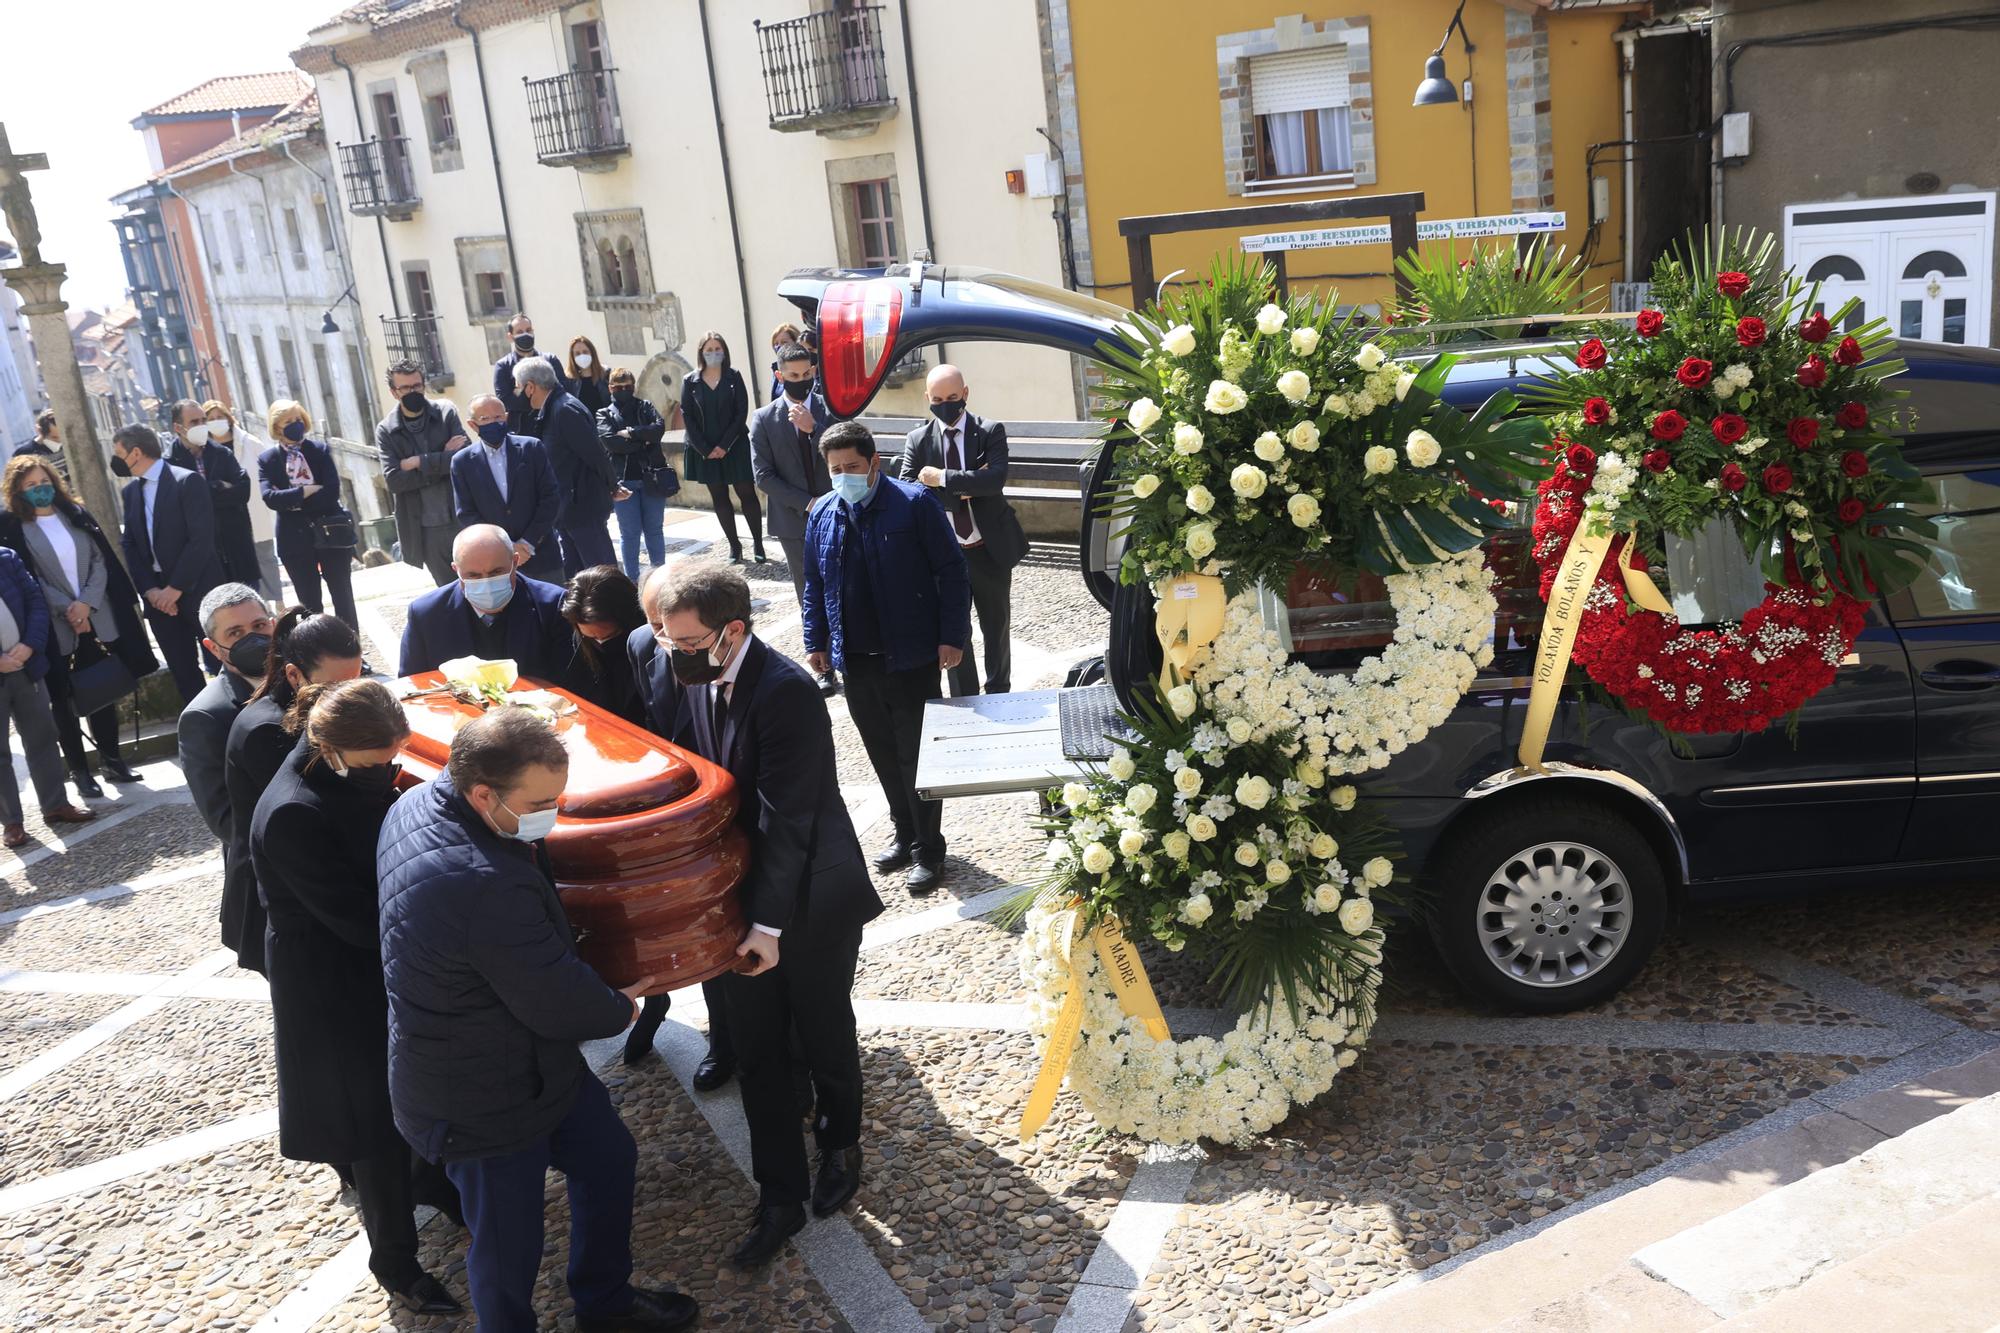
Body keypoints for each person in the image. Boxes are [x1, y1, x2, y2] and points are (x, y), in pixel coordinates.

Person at [377, 706, 697, 1332]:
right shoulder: (478, 880)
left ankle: (604, 1303)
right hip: (479, 1098)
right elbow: (555, 997)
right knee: (507, 1247)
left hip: (523, 1065)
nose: (551, 815)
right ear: (481, 792)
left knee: (608, 1159)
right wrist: (620, 1004)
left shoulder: (415, 804)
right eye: (543, 802)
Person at [649, 561, 882, 1266]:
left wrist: (767, 927)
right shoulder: (682, 670)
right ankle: (778, 1191)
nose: (674, 654)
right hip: (737, 896)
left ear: (733, 632)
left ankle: (841, 1140)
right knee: (757, 1050)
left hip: (807, 898)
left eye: (688, 643)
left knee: (822, 1030)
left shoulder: (786, 692)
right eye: (666, 639)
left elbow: (789, 822)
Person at [249, 679, 461, 1316]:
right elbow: (356, 919)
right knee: (370, 1124)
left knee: (408, 1093)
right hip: (332, 983)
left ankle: (436, 1187)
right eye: (379, 765)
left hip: (364, 965)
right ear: (332, 747)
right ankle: (394, 1260)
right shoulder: (294, 811)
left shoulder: (337, 772)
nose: (388, 774)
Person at [804, 420, 969, 895]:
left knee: (917, 758)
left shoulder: (913, 503)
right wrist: (817, 641)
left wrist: (951, 636)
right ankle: (904, 834)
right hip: (856, 661)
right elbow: (814, 584)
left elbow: (951, 571)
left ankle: (929, 849)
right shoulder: (823, 514)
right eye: (835, 469)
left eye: (852, 467)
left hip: (911, 656)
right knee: (880, 753)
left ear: (874, 463)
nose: (843, 476)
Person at [224, 610, 363, 975]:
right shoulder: (267, 730)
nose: (350, 697)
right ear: (294, 675)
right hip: (278, 900)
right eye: (335, 688)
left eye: (357, 679)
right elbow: (319, 803)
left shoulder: (308, 707)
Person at [0, 455, 148, 797]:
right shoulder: (13, 527)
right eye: (32, 486)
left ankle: (113, 760)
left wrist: (86, 604)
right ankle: (80, 771)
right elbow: (28, 578)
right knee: (63, 700)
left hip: (95, 617)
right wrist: (68, 608)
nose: (41, 490)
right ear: (18, 492)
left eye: (44, 482)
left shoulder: (75, 515)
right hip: (54, 626)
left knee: (102, 691)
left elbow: (100, 560)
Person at [898, 364, 1028, 696]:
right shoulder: (918, 439)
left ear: (965, 394)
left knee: (996, 627)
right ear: (927, 398)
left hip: (989, 548)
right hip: (945, 554)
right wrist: (968, 483)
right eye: (938, 399)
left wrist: (941, 478)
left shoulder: (989, 431)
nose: (946, 404)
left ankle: (1000, 691)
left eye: (953, 397)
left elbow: (995, 479)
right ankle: (965, 696)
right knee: (955, 630)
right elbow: (909, 491)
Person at [115, 422, 223, 705]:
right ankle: (202, 731)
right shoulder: (130, 493)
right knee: (183, 671)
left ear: (135, 453)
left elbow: (200, 540)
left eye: (119, 452)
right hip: (158, 597)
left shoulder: (186, 481)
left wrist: (175, 588)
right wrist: (151, 590)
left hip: (197, 588)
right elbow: (130, 545)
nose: (116, 460)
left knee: (223, 662)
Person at [749, 343, 834, 694]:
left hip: (836, 513)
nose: (800, 381)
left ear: (813, 372)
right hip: (794, 521)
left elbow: (846, 451)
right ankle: (824, 665)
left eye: (806, 374)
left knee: (843, 586)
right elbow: (763, 476)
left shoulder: (830, 411)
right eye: (793, 376)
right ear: (779, 375)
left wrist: (815, 429)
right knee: (809, 592)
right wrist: (807, 503)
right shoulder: (764, 419)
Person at [0, 541, 96, 847]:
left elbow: (35, 603)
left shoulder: (7, 557)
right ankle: (12, 823)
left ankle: (55, 804)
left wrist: (30, 645)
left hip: (27, 665)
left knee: (43, 736)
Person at [399, 524, 571, 681]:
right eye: (473, 575)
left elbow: (571, 683)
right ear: (456, 570)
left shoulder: (552, 606)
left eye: (496, 572)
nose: (486, 582)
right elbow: (412, 687)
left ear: (515, 562)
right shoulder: (427, 615)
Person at [177, 584, 275, 842]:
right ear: (213, 647)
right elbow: (226, 820)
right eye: (235, 633)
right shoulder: (204, 717)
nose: (252, 638)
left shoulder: (303, 679)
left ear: (273, 625)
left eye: (259, 626)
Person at [256, 401, 359, 633]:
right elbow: (270, 498)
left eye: (298, 419)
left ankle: (351, 648)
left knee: (343, 595)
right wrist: (305, 491)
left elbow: (331, 491)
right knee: (309, 603)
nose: (296, 425)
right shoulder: (268, 460)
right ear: (277, 427)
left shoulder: (319, 451)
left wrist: (292, 502)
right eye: (288, 422)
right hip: (294, 539)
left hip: (330, 531)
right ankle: (320, 653)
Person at [515, 358, 621, 575]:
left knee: (603, 576)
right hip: (567, 510)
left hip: (582, 508)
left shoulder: (564, 409)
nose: (518, 394)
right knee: (578, 577)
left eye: (519, 387)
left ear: (531, 387)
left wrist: (613, 486)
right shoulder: (553, 409)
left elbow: (596, 454)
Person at [376, 359, 469, 586]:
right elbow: (395, 481)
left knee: (477, 583)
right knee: (449, 594)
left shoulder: (446, 412)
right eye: (405, 388)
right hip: (426, 530)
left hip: (462, 518)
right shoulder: (386, 429)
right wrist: (442, 457)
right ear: (394, 392)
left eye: (416, 386)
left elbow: (465, 459)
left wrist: (419, 461)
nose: (412, 391)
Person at [453, 393, 563, 584]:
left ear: (506, 417)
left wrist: (527, 543)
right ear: (472, 425)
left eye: (498, 417)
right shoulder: (462, 462)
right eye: (485, 419)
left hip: (542, 555)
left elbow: (550, 498)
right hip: (494, 567)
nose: (493, 422)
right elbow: (466, 513)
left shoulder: (532, 448)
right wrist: (504, 547)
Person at [680, 332, 763, 567]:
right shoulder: (690, 381)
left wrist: (724, 445)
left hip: (734, 445)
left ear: (724, 351)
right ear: (700, 352)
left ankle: (757, 542)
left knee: (746, 493)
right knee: (719, 497)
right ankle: (735, 546)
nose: (713, 353)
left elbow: (741, 411)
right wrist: (706, 449)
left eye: (718, 348)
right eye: (709, 348)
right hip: (704, 449)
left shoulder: (734, 377)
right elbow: (688, 416)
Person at [166, 398, 262, 595]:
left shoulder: (222, 453)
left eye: (203, 420)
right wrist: (219, 486)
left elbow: (242, 491)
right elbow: (182, 504)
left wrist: (202, 493)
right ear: (178, 427)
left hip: (237, 546)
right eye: (194, 422)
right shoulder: (169, 463)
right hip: (204, 560)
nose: (201, 426)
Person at [596, 368, 671, 580]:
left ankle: (659, 578)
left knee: (654, 530)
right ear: (610, 388)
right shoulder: (604, 413)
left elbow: (658, 429)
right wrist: (643, 441)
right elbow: (610, 442)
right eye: (619, 387)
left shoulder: (645, 406)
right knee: (629, 534)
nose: (624, 390)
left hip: (652, 478)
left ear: (634, 386)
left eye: (628, 386)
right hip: (624, 481)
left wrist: (630, 434)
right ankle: (631, 580)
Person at [558, 565, 646, 726]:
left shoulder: (648, 647)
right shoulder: (580, 640)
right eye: (591, 637)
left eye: (610, 636)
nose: (601, 643)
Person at [199, 401, 271, 593]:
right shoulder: (204, 452)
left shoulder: (250, 442)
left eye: (220, 417)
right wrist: (222, 486)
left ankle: (277, 604)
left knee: (266, 559)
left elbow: (247, 485)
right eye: (211, 419)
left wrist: (230, 488)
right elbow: (206, 491)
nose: (216, 422)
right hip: (230, 522)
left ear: (229, 418)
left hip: (256, 507)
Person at [491, 313, 569, 437]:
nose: (525, 335)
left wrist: (521, 391)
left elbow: (562, 390)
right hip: (522, 431)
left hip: (553, 426)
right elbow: (505, 401)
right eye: (520, 332)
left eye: (528, 330)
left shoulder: (550, 359)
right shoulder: (503, 366)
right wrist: (541, 395)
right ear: (510, 337)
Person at [18, 409, 67, 482]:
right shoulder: (24, 454)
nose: (59, 442)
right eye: (54, 437)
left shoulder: (69, 444)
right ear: (39, 431)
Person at [567, 335, 610, 416]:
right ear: (572, 357)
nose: (582, 356)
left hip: (605, 425)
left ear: (592, 353)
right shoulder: (569, 381)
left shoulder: (606, 374)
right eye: (577, 354)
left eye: (585, 352)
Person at [766, 323, 800, 404]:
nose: (779, 347)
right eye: (776, 344)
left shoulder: (803, 367)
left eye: (784, 342)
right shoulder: (776, 369)